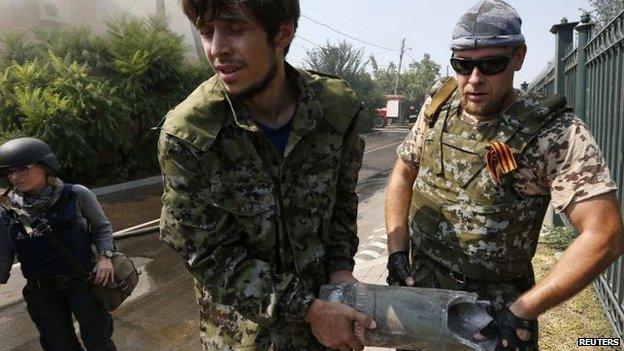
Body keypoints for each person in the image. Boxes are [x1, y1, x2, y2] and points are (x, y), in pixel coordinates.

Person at [384, 0, 624, 350]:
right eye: (462, 65)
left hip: (494, 322)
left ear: (518, 58)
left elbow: (605, 232)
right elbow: (404, 172)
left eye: (492, 64)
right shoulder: (439, 106)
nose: (474, 80)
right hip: (422, 300)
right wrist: (395, 251)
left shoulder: (554, 133)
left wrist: (523, 310)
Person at [157, 0, 376, 350]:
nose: (216, 50)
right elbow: (208, 255)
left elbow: (343, 200)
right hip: (244, 338)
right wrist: (308, 310)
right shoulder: (189, 134)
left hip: (327, 333)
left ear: (283, 33)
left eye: (235, 29)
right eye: (206, 31)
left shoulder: (335, 110)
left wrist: (340, 269)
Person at [0, 137, 117, 351]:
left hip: (81, 283)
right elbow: (4, 251)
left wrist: (105, 257)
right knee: (58, 346)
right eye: (10, 172)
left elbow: (102, 227)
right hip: (41, 291)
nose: (15, 177)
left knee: (98, 342)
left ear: (45, 167)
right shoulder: (8, 210)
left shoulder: (75, 194)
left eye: (23, 169)